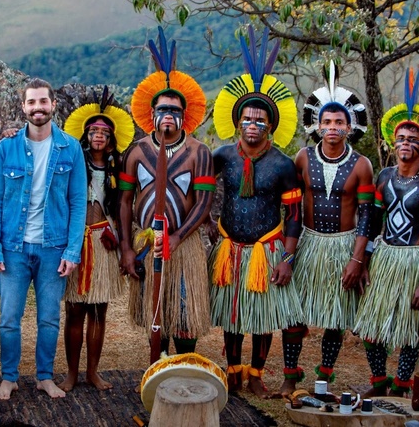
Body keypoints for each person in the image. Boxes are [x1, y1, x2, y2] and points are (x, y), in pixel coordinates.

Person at [207, 27, 305, 397]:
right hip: (230, 248)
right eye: (247, 119)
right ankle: (232, 371)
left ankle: (256, 374)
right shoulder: (222, 156)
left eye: (260, 120)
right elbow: (198, 191)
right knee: (232, 313)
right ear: (237, 122)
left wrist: (288, 257)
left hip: (267, 249)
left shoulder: (282, 165)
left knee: (262, 317)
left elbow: (294, 213)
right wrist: (205, 223)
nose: (253, 125)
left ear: (271, 125)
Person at [0, 77, 87, 400]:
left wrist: (73, 250)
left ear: (53, 105)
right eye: (32, 102)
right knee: (9, 319)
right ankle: (9, 377)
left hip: (53, 248)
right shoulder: (6, 148)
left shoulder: (70, 148)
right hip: (13, 249)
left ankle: (45, 376)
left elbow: (77, 202)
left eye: (43, 102)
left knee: (48, 318)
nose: (38, 108)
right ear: (23, 107)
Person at [119, 27, 215, 357]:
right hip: (147, 242)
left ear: (183, 115)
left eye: (174, 111)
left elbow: (204, 202)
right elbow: (125, 200)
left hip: (184, 245)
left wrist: (178, 237)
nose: (168, 116)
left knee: (185, 310)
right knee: (154, 311)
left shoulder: (198, 152)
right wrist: (127, 248)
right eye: (163, 110)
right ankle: (158, 364)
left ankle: (185, 363)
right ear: (153, 114)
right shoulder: (136, 151)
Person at [354, 69, 419, 398]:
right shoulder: (383, 177)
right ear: (393, 143)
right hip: (385, 256)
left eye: (412, 140)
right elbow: (371, 221)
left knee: (410, 329)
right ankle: (379, 382)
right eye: (401, 139)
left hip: (413, 260)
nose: (405, 145)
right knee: (371, 325)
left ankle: (403, 384)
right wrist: (363, 259)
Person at [291, 62, 375, 389]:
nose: (332, 126)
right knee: (295, 312)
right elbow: (293, 209)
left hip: (343, 245)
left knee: (336, 317)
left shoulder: (362, 164)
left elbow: (368, 215)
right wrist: (290, 252)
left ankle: (323, 379)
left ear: (350, 126)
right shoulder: (302, 158)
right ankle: (290, 375)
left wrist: (358, 259)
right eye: (326, 121)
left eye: (339, 121)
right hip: (309, 242)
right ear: (317, 125)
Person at [58, 88, 135, 392]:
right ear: (86, 135)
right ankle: (71, 374)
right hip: (77, 241)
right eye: (94, 131)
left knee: (98, 310)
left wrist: (116, 235)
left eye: (104, 132)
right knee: (74, 309)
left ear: (111, 138)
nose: (99, 136)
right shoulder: (74, 162)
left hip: (104, 241)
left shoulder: (117, 166)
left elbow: (123, 204)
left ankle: (93, 372)